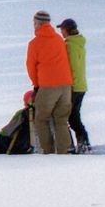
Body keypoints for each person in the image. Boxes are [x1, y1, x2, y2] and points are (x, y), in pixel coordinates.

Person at [26, 8, 74, 152]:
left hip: (48, 85)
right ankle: (63, 152)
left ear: (37, 24)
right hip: (66, 85)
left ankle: (48, 152)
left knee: (41, 119)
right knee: (61, 120)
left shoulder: (35, 43)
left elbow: (31, 67)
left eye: (34, 22)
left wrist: (36, 85)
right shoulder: (59, 39)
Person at [60, 16, 89, 150]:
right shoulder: (79, 43)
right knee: (74, 116)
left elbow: (70, 66)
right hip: (81, 85)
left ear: (67, 30)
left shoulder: (69, 45)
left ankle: (81, 145)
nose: (61, 32)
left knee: (71, 118)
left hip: (74, 86)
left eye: (62, 29)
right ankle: (83, 144)